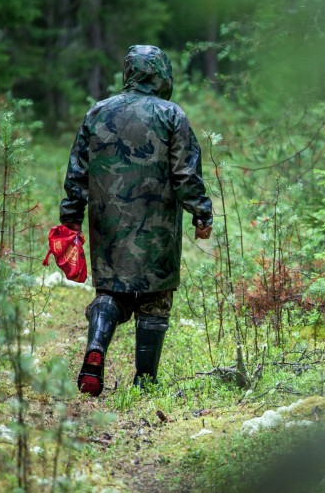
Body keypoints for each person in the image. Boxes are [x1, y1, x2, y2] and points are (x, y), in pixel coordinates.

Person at [60, 45, 213, 396]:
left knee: (110, 292)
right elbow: (186, 174)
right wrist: (201, 212)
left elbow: (76, 174)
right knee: (155, 300)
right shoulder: (171, 114)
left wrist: (70, 221)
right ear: (161, 74)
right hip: (158, 227)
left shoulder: (97, 113)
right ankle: (144, 382)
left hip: (107, 225)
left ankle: (95, 349)